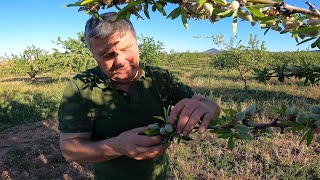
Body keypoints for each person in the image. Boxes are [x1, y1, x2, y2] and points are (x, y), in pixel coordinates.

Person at [58, 12, 220, 180]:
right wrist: (117, 146)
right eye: (108, 55)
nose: (120, 61)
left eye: (126, 49)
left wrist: (208, 107)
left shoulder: (161, 78)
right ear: (94, 55)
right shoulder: (81, 86)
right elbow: (69, 149)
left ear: (137, 42)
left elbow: (205, 105)